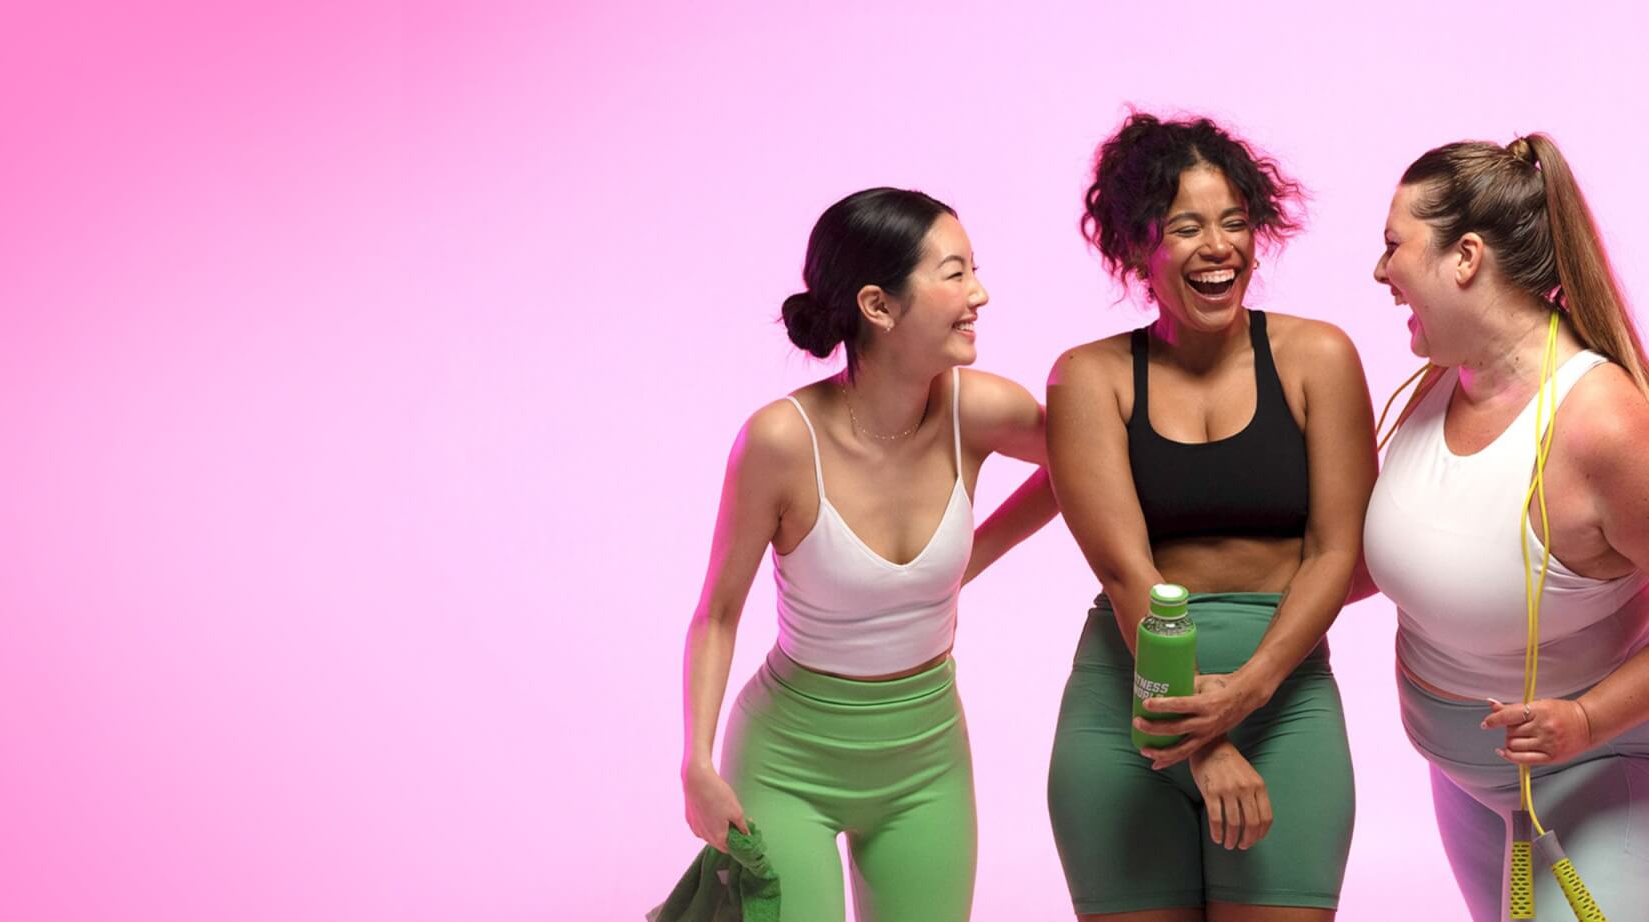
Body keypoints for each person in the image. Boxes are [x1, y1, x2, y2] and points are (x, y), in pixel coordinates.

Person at [679, 186, 1056, 921]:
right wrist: (695, 761)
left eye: (973, 269)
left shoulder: (976, 409)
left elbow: (1084, 473)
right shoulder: (780, 441)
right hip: (788, 762)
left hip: (926, 758)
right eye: (954, 273)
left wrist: (968, 561)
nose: (979, 293)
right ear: (879, 307)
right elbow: (718, 614)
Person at [1043, 113, 1373, 921]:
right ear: (1136, 249)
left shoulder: (1318, 357)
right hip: (1128, 707)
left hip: (1284, 704)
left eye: (1235, 222)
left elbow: (1337, 551)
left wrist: (1246, 696)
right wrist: (1204, 736)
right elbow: (1128, 574)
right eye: (1187, 227)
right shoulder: (1090, 378)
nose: (1219, 246)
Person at [1358, 133, 1649, 921]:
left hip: (1592, 776)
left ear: (1467, 258)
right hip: (1465, 780)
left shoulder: (1602, 425)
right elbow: (1389, 556)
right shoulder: (1435, 384)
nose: (1381, 272)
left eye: (1394, 247)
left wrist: (1586, 720)